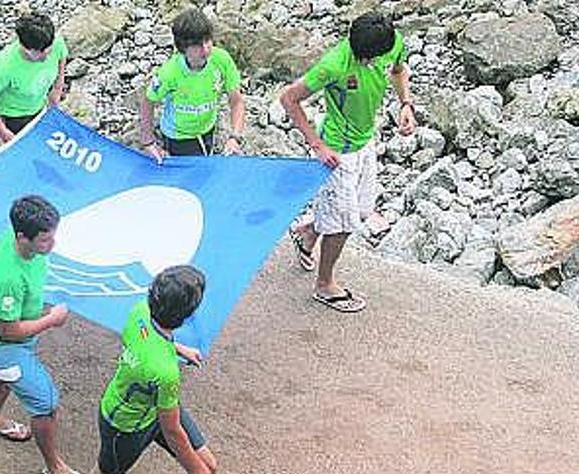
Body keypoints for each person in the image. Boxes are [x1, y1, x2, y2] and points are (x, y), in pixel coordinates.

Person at [279, 11, 417, 313]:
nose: (366, 63)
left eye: (370, 59)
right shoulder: (334, 65)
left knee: (362, 209)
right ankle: (324, 284)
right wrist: (316, 144)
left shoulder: (392, 43)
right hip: (337, 152)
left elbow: (398, 70)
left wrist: (405, 103)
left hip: (366, 141)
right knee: (343, 225)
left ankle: (309, 232)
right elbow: (289, 98)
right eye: (362, 59)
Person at [0, 195, 84, 474]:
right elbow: (9, 331)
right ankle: (55, 468)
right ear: (22, 236)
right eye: (45, 240)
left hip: (0, 336)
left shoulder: (17, 236)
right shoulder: (8, 277)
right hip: (1, 343)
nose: (53, 245)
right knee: (46, 404)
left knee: (5, 376)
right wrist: (51, 319)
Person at [82, 265, 215, 474]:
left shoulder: (140, 311)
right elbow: (171, 429)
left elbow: (150, 340)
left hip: (156, 406)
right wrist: (195, 469)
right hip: (125, 428)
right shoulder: (165, 372)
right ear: (186, 316)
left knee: (209, 468)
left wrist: (177, 348)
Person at [139, 8, 245, 162]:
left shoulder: (222, 60)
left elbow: (236, 101)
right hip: (178, 136)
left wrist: (235, 137)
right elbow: (148, 101)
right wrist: (147, 141)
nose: (206, 49)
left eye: (207, 40)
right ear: (182, 48)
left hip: (208, 127)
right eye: (197, 45)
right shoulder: (170, 72)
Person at [0, 12, 68, 143]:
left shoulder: (55, 43)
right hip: (15, 116)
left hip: (41, 107)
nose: (46, 57)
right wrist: (1, 129)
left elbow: (61, 57)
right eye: (40, 53)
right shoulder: (5, 67)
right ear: (25, 47)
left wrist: (57, 89)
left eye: (49, 50)